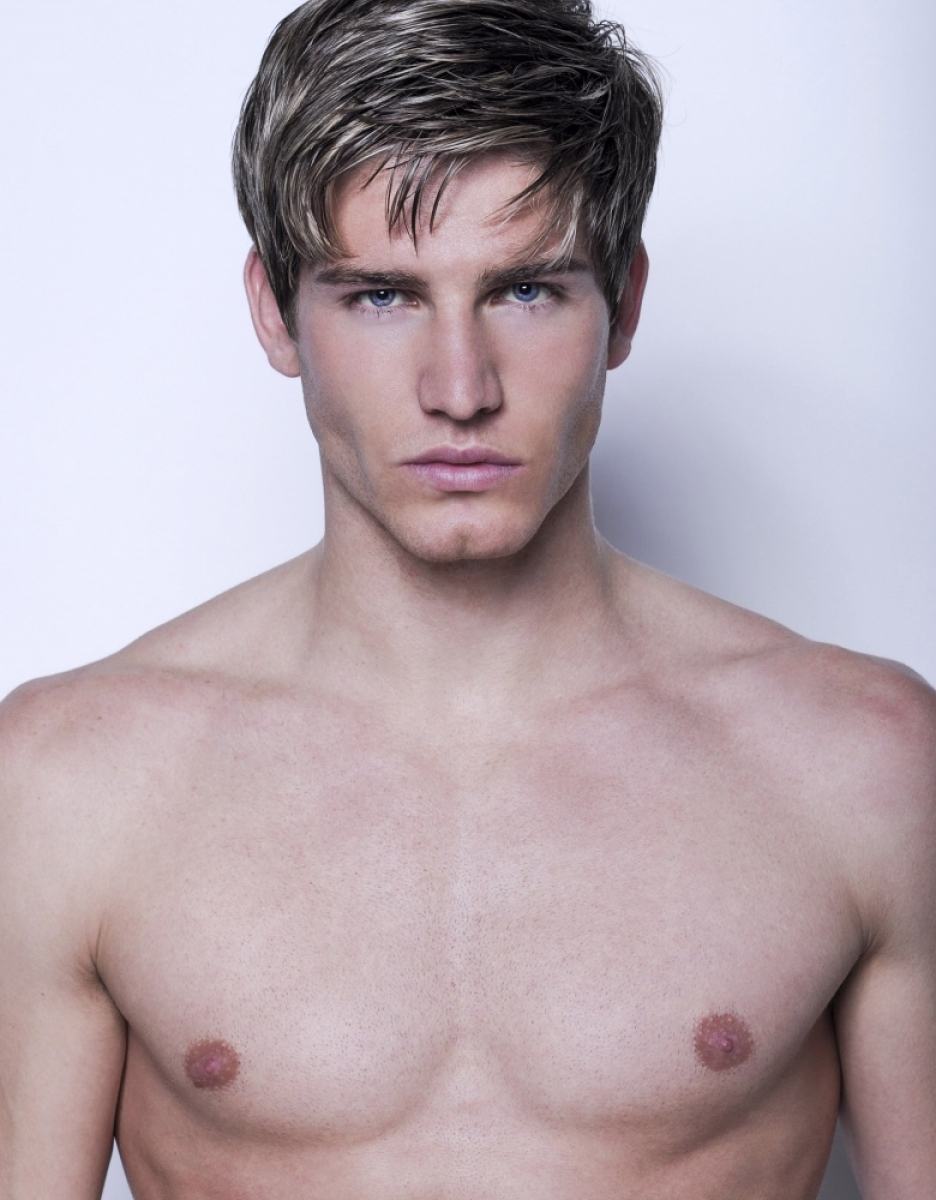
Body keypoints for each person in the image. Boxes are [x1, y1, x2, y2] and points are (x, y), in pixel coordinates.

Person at [1, 0, 933, 1196]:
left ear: (625, 303)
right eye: (380, 296)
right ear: (275, 312)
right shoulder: (73, 780)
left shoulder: (863, 764)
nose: (459, 387)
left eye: (525, 291)